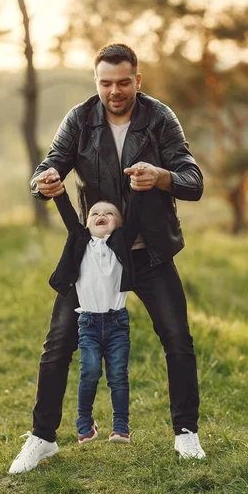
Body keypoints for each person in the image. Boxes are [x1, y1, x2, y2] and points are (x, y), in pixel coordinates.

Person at [9, 43, 205, 474]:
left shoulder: (159, 119)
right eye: (105, 83)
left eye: (123, 82)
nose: (114, 91)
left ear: (138, 79)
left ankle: (186, 434)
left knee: (177, 339)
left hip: (148, 253)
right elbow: (49, 167)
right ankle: (42, 439)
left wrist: (161, 177)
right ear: (96, 82)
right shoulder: (80, 119)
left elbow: (193, 181)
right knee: (58, 344)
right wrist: (44, 182)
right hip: (94, 257)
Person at [50, 188, 142, 447]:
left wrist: (138, 189)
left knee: (118, 376)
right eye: (95, 214)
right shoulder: (81, 241)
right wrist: (59, 193)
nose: (101, 215)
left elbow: (133, 214)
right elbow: (69, 216)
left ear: (119, 224)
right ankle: (85, 425)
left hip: (117, 323)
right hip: (88, 323)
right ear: (87, 222)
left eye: (109, 214)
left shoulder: (121, 242)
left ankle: (121, 427)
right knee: (89, 372)